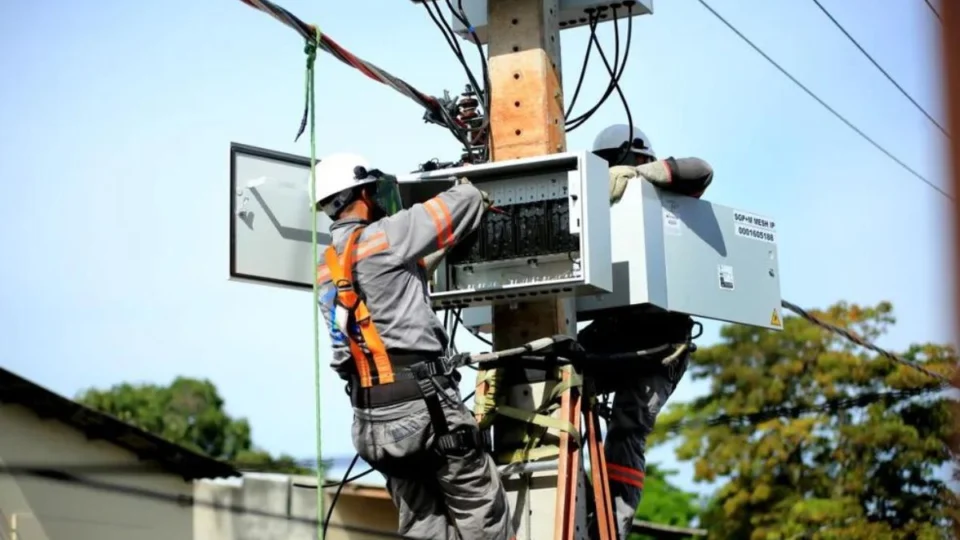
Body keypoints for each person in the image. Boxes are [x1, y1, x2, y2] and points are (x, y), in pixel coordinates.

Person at [312, 153, 515, 540]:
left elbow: (372, 307)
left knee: (422, 527)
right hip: (426, 409)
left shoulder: (326, 267)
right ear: (363, 192)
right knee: (480, 518)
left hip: (372, 424)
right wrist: (468, 173)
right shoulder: (388, 234)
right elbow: (468, 201)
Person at [579, 124, 713, 539]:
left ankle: (610, 528)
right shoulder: (595, 201)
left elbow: (700, 170)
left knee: (628, 424)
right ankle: (572, 508)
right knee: (554, 381)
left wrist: (641, 177)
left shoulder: (668, 197)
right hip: (618, 331)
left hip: (661, 341)